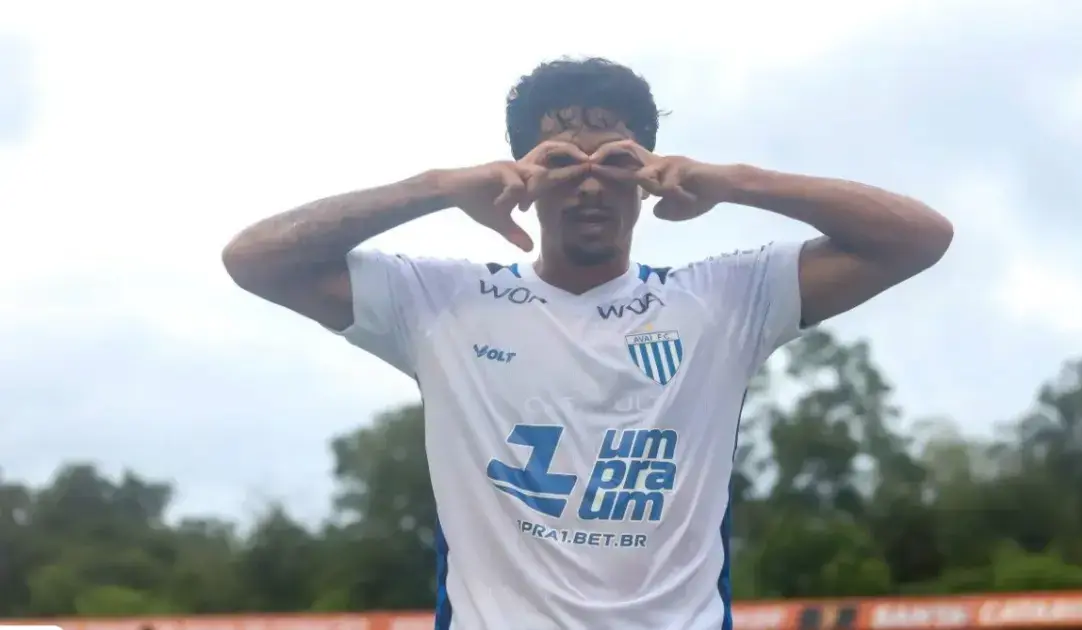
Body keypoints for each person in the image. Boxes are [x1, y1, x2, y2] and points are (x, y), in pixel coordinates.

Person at [222, 57, 953, 630]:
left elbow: (919, 238)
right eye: (561, 161)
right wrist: (439, 186)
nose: (590, 183)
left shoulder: (725, 299)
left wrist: (732, 181)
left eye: (616, 160)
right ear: (521, 180)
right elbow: (255, 257)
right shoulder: (438, 303)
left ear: (650, 177)